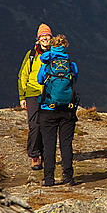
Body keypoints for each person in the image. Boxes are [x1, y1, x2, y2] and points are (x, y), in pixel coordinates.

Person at [37, 34, 79, 186]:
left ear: (52, 47)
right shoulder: (70, 64)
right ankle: (68, 177)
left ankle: (49, 179)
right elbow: (75, 79)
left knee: (49, 145)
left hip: (48, 109)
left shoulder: (46, 64)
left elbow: (40, 80)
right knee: (66, 144)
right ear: (65, 46)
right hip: (67, 110)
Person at [17, 23, 53, 170]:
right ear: (38, 39)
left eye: (47, 36)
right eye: (42, 36)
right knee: (34, 125)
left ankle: (46, 156)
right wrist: (22, 96)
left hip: (50, 94)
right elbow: (22, 75)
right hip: (32, 93)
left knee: (47, 126)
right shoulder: (31, 54)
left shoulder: (55, 53)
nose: (45, 38)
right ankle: (34, 155)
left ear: (51, 38)